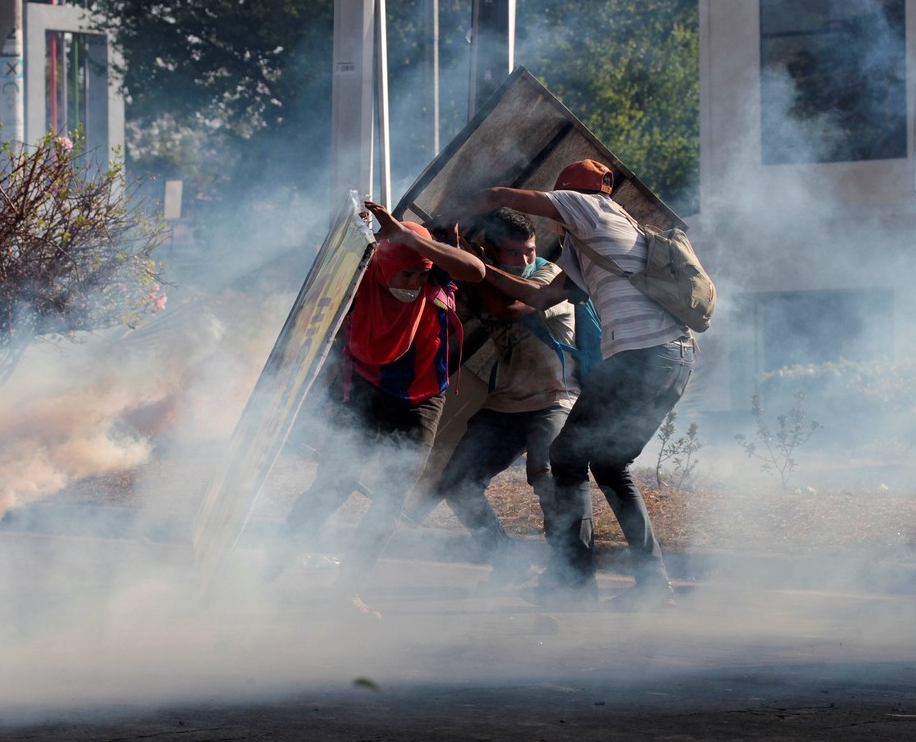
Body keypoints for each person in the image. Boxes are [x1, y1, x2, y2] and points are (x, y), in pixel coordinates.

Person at [454, 159, 695, 612]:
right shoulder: (603, 241)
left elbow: (499, 197)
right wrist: (483, 270)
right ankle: (652, 585)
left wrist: (455, 217)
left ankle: (572, 582)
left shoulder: (589, 209)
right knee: (609, 466)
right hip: (675, 359)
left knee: (565, 455)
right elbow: (540, 298)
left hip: (640, 356)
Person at [267, 200, 486, 618]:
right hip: (364, 388)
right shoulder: (361, 277)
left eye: (421, 274)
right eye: (406, 272)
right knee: (334, 483)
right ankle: (272, 564)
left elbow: (474, 271)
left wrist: (409, 240)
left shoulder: (433, 275)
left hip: (423, 398)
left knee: (392, 496)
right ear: (385, 266)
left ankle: (346, 589)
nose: (413, 282)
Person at [423, 208, 580, 587]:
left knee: (549, 478)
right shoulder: (485, 279)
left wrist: (475, 263)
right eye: (513, 253)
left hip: (554, 397)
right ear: (493, 252)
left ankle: (565, 572)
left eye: (528, 249)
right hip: (506, 401)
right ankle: (507, 561)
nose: (525, 259)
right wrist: (458, 248)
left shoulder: (550, 276)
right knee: (457, 483)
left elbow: (506, 308)